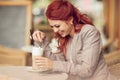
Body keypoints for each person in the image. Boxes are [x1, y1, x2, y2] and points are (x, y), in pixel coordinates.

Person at [32, 0, 118, 80]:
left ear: (70, 19)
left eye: (57, 26)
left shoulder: (89, 32)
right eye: (52, 27)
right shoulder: (66, 37)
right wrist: (42, 41)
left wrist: (53, 65)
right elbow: (58, 63)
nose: (55, 30)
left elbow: (87, 70)